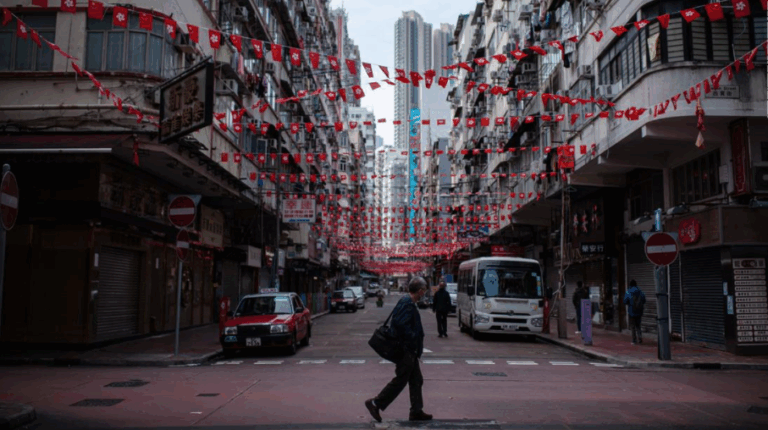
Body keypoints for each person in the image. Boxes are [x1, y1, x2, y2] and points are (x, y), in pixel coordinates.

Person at [365, 277, 432, 423]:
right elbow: (400, 324)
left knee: (416, 380)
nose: (424, 294)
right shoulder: (407, 303)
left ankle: (416, 411)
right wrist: (413, 337)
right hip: (406, 350)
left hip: (410, 350)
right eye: (424, 291)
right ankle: (376, 403)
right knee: (401, 380)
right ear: (420, 291)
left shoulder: (409, 302)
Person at [623, 279, 646, 345]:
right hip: (639, 311)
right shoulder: (640, 291)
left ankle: (634, 340)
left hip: (631, 311)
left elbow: (625, 301)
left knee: (633, 326)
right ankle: (640, 338)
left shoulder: (628, 292)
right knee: (638, 325)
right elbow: (644, 300)